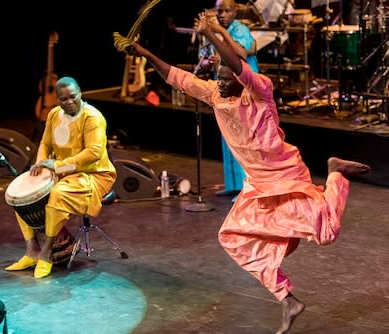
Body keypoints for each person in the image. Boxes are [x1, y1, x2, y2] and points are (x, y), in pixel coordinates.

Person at [129, 12, 371, 333]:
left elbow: (237, 62)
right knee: (233, 238)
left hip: (284, 175)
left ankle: (335, 173)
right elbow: (176, 76)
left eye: (224, 75)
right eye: (216, 75)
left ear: (239, 76)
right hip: (256, 185)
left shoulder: (260, 91)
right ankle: (287, 298)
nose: (218, 80)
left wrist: (212, 34)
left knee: (326, 233)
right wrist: (144, 54)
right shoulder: (216, 95)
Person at [5, 76, 117, 279]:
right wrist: (39, 164)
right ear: (58, 99)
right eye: (63, 99)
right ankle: (32, 251)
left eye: (73, 97)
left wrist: (57, 166)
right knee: (22, 196)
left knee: (57, 194)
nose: (69, 102)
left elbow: (93, 154)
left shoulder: (92, 118)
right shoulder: (55, 114)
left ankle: (46, 253)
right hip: (62, 171)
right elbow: (45, 144)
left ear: (80, 93)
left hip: (93, 174)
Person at [197, 0, 258, 200]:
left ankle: (246, 188)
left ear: (235, 12)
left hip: (243, 91)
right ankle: (233, 185)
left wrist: (220, 37)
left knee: (244, 139)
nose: (222, 14)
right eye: (219, 10)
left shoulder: (240, 29)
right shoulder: (211, 32)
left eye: (226, 10)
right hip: (224, 90)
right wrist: (209, 61)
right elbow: (203, 60)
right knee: (229, 137)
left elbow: (242, 52)